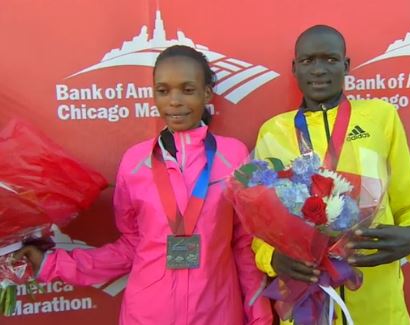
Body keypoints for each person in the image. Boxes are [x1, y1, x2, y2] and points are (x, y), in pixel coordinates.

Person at [17, 45, 272, 325]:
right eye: (163, 91)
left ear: (206, 93)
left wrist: (259, 315)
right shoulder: (135, 162)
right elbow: (131, 247)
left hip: (217, 313)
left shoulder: (233, 155)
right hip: (148, 314)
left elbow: (243, 246)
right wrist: (48, 264)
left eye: (187, 89)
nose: (174, 101)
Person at [252, 25, 410, 325]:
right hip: (305, 300)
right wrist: (270, 257)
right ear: (294, 68)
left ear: (346, 65)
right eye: (309, 61)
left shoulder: (381, 118)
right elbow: (259, 223)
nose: (319, 70)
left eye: (330, 59)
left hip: (376, 300)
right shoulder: (274, 131)